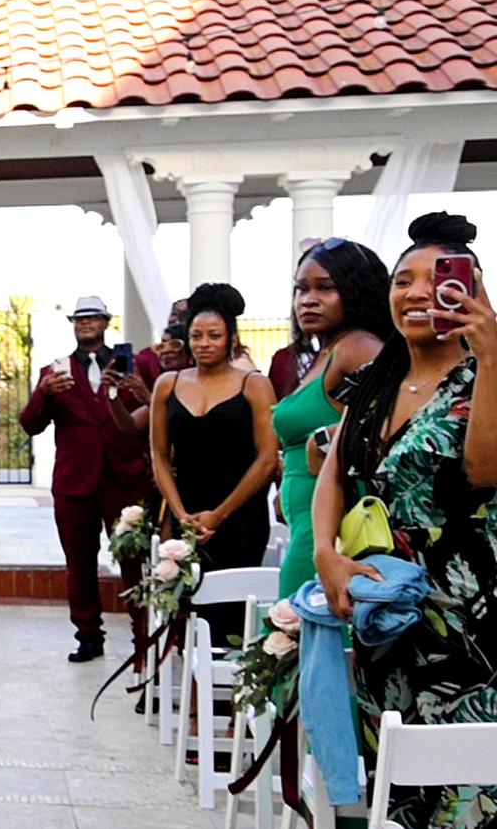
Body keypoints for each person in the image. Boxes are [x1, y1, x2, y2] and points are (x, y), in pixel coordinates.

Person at [312, 212, 497, 829]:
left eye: (442, 280)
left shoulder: (485, 373)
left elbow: (484, 472)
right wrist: (325, 552)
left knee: (463, 805)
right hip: (385, 630)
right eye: (403, 281)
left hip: (467, 633)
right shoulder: (375, 381)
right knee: (399, 799)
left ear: (473, 292)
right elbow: (334, 479)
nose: (420, 294)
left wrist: (492, 353)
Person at [20, 296, 152, 662]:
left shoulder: (132, 366)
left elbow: (154, 416)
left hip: (124, 481)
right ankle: (88, 636)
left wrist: (143, 390)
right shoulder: (55, 371)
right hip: (75, 483)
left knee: (134, 564)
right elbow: (30, 424)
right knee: (79, 564)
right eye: (80, 319)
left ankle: (144, 637)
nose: (86, 324)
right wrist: (43, 395)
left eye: (93, 318)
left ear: (107, 322)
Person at [147, 283, 278, 649]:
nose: (204, 343)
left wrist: (219, 515)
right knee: (188, 611)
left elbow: (267, 459)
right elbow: (159, 455)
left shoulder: (254, 385)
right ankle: (194, 700)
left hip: (240, 517)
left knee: (233, 613)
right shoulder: (167, 385)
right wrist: (178, 513)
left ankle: (234, 702)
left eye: (214, 335)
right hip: (186, 515)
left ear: (231, 338)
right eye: (196, 335)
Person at [272, 239, 391, 600]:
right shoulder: (325, 352)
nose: (307, 300)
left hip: (331, 530)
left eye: (325, 288)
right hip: (306, 523)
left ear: (356, 292)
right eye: (301, 289)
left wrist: (322, 439)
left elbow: (395, 420)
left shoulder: (358, 346)